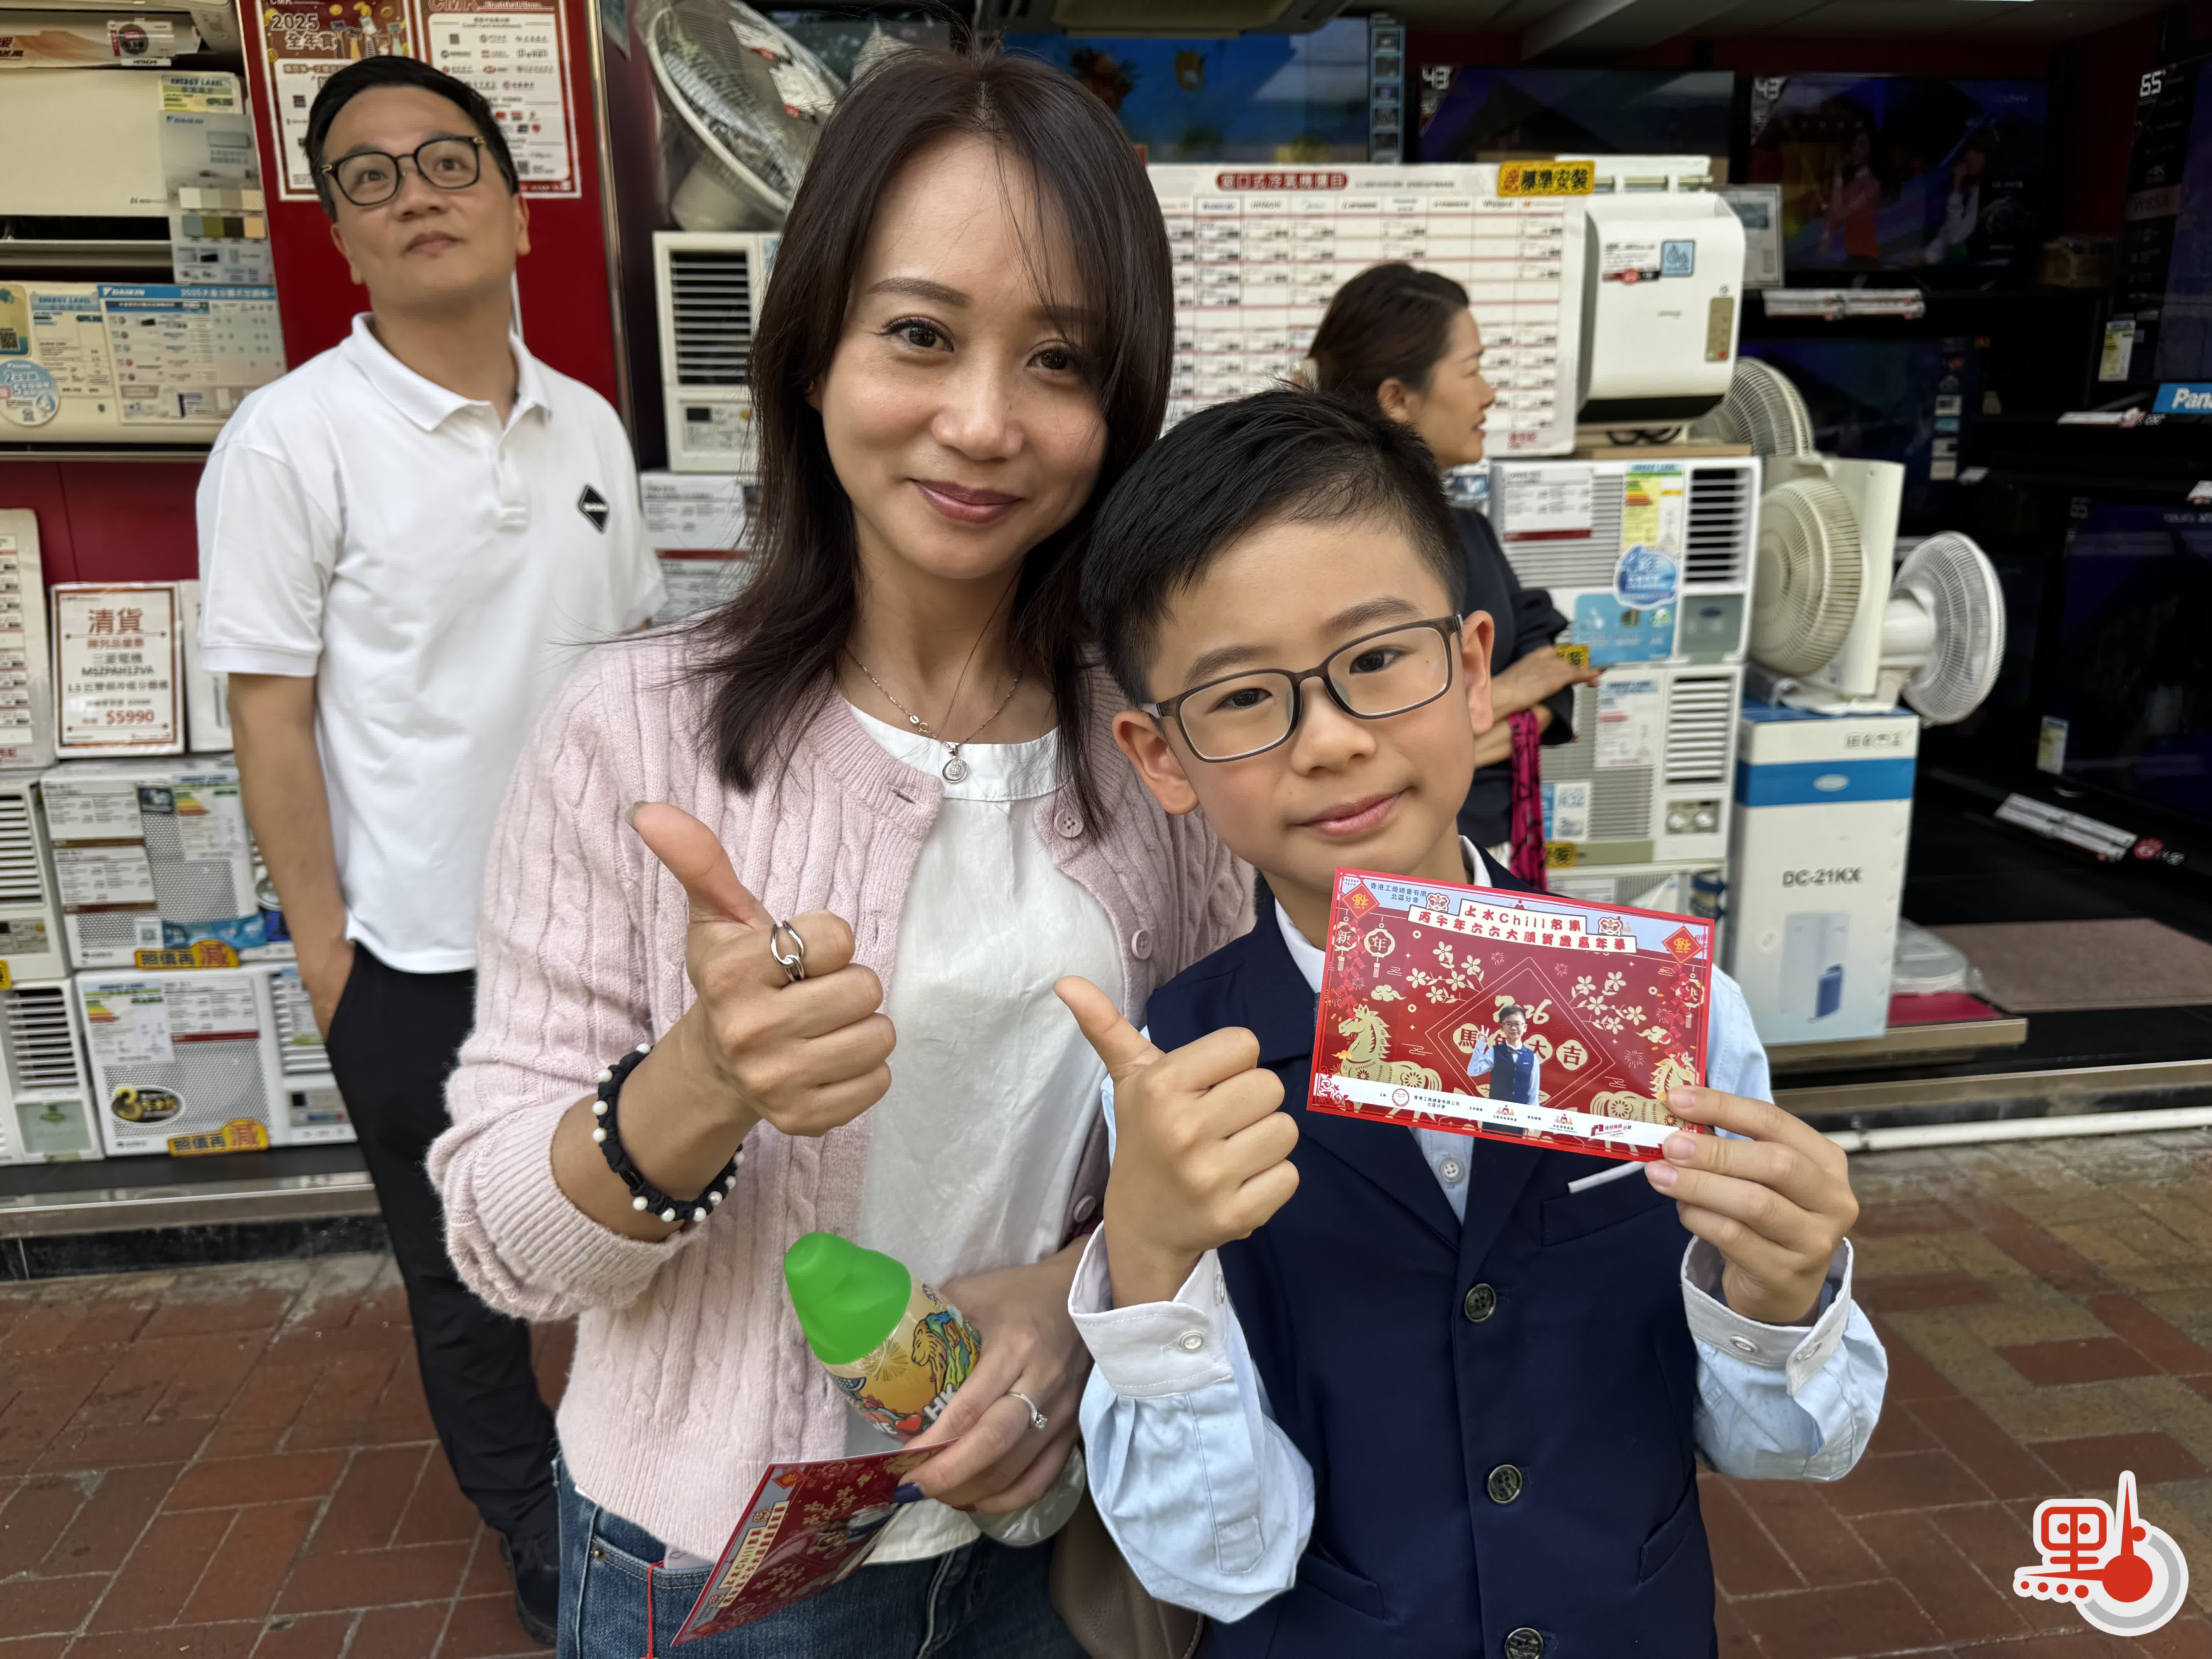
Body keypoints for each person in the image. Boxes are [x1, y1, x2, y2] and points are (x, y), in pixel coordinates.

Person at [425, 48, 1247, 1657]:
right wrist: (701, 1079)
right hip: (716, 1572)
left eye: (1059, 359)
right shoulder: (634, 732)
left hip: (1054, 1535)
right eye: (920, 334)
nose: (983, 422)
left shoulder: (1159, 749)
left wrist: (1076, 1294)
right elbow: (503, 1245)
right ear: (812, 353)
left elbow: (1231, 1124)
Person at [1057, 390, 1887, 1656]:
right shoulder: (1180, 1074)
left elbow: (1785, 1445)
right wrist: (1152, 1265)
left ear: (1473, 670)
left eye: (1377, 659)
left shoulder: (1671, 1018)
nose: (1331, 740)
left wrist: (1776, 1295)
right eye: (1241, 697)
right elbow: (1216, 1561)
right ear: (1160, 755)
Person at [197, 55, 663, 1642]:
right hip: (416, 955)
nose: (417, 195)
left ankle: (647, 1468)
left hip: (606, 940)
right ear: (340, 233)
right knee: (467, 1280)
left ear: (517, 209)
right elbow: (271, 717)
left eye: (449, 161)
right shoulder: (289, 442)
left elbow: (628, 677)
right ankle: (534, 1521)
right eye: (373, 176)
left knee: (645, 1223)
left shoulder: (586, 425)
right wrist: (330, 966)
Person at [1307, 264, 1598, 866]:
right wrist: (1511, 691)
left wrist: (1500, 712)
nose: (1488, 393)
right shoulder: (1320, 563)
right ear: (1398, 399)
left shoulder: (1469, 531)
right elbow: (1357, 750)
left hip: (1491, 855)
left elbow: (1557, 650)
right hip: (1383, 874)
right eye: (1471, 370)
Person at [1474, 1003, 1539, 1106]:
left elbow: (1533, 1094)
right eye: (1509, 1024)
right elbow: (1474, 1071)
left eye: (1517, 1024)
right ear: (1502, 1027)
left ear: (1525, 1027)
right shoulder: (1494, 1052)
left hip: (1520, 1114)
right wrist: (1481, 1045)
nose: (1513, 1028)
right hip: (1495, 1112)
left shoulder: (1532, 1058)